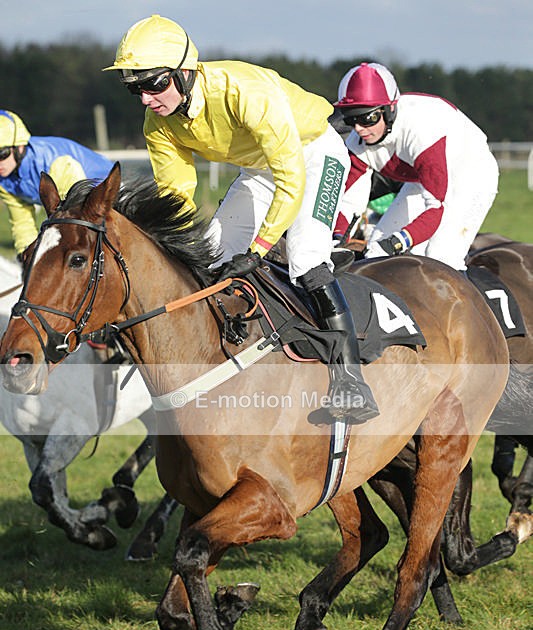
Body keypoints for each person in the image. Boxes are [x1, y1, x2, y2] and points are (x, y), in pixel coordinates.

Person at [104, 14, 379, 424]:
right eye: (135, 88)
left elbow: (291, 175)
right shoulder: (158, 122)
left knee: (304, 256)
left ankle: (351, 381)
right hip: (260, 170)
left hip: (313, 154)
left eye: (154, 83)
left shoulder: (243, 91)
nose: (146, 97)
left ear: (184, 72)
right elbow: (175, 196)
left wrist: (259, 250)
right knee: (210, 257)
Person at [333, 63, 499, 270]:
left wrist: (400, 241)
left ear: (389, 109)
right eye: (351, 119)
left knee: (442, 257)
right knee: (376, 249)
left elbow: (435, 209)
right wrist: (336, 237)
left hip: (472, 174)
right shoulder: (358, 140)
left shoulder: (420, 133)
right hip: (423, 180)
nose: (359, 129)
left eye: (368, 118)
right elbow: (348, 201)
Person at [0, 110, 113, 258]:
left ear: (19, 147)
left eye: (2, 154)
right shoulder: (4, 179)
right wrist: (27, 257)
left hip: (109, 189)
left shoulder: (56, 163)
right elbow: (22, 223)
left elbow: (76, 217)